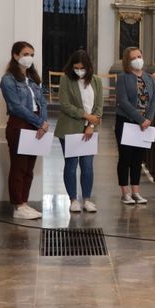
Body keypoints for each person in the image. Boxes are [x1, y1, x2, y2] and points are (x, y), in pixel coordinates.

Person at [0, 42, 48, 219]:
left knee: (29, 168)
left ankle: (25, 203)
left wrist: (43, 121)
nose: (29, 58)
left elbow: (42, 101)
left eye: (32, 54)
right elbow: (16, 106)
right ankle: (18, 206)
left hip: (36, 125)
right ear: (15, 55)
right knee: (19, 167)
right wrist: (38, 121)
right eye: (26, 54)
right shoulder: (8, 79)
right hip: (19, 124)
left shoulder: (34, 78)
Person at [55, 50, 102, 213]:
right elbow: (65, 105)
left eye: (82, 68)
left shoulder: (96, 80)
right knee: (71, 165)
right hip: (69, 128)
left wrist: (91, 125)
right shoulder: (66, 79)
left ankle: (87, 199)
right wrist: (85, 115)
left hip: (90, 129)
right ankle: (73, 199)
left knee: (87, 166)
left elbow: (99, 106)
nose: (79, 71)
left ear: (88, 67)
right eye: (76, 67)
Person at [114, 47, 155, 205]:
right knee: (125, 158)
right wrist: (140, 119)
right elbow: (123, 102)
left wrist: (148, 119)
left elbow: (153, 101)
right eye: (133, 58)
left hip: (144, 125)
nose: (138, 59)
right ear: (128, 61)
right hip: (126, 122)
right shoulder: (123, 77)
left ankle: (136, 191)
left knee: (138, 159)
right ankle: (125, 192)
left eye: (139, 56)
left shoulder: (149, 78)